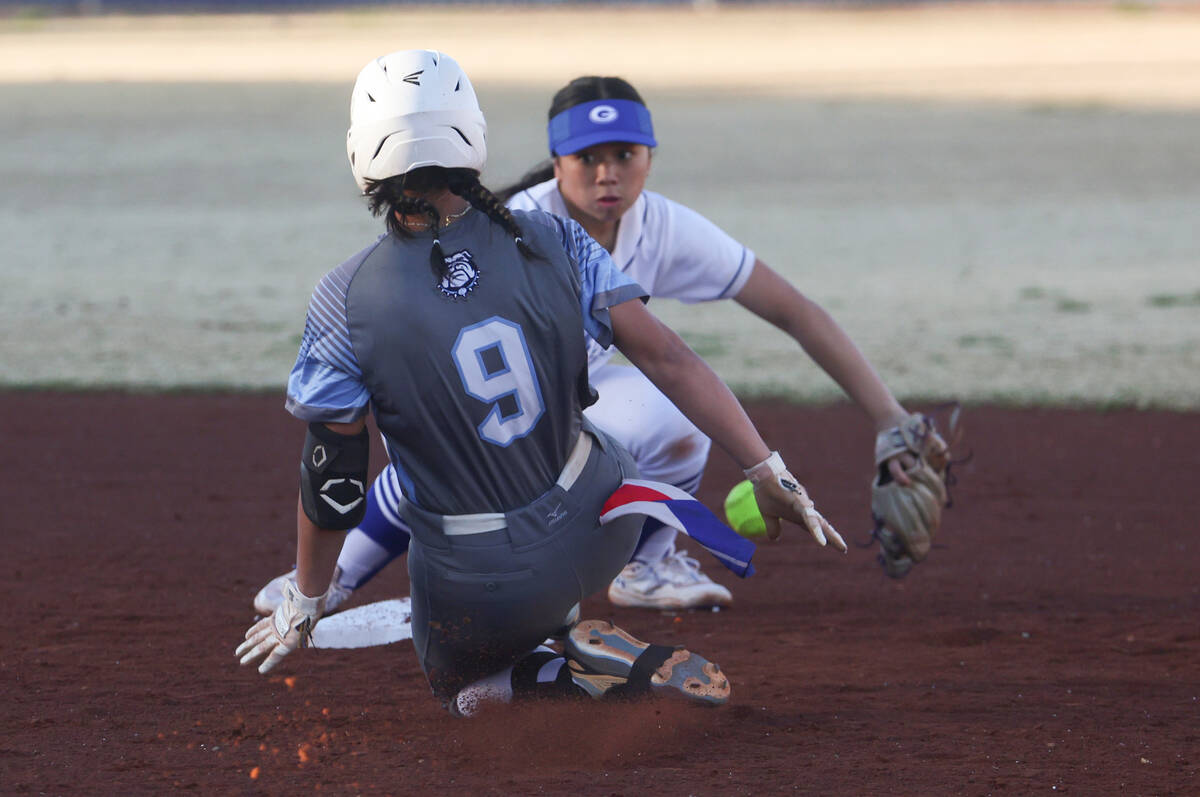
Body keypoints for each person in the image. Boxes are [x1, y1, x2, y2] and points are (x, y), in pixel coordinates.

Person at [235, 50, 846, 715]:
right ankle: (588, 610)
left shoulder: (344, 298)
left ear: (363, 154)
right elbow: (669, 357)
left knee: (464, 691)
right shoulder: (554, 235)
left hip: (483, 579)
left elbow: (334, 482)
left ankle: (561, 667)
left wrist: (307, 595)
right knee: (600, 433)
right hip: (605, 519)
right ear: (472, 136)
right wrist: (765, 466)